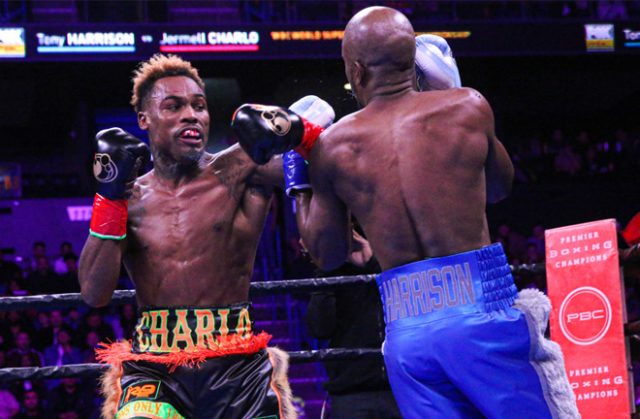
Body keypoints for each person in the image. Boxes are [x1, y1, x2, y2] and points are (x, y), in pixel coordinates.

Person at [232, 6, 579, 418]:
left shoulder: (334, 146)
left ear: (357, 71)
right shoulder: (466, 107)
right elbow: (500, 188)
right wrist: (452, 91)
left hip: (407, 335)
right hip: (482, 312)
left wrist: (299, 164)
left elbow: (326, 253)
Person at [78, 54, 296, 418]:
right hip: (154, 366)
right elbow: (93, 293)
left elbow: (325, 152)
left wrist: (290, 126)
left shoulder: (239, 170)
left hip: (238, 365)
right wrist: (109, 197)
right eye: (174, 106)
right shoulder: (127, 198)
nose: (191, 115)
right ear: (144, 119)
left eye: (199, 106)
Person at [306, 229, 401, 419]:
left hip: (399, 388)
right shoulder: (334, 274)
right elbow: (319, 328)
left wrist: (372, 263)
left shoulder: (395, 266)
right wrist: (326, 268)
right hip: (350, 391)